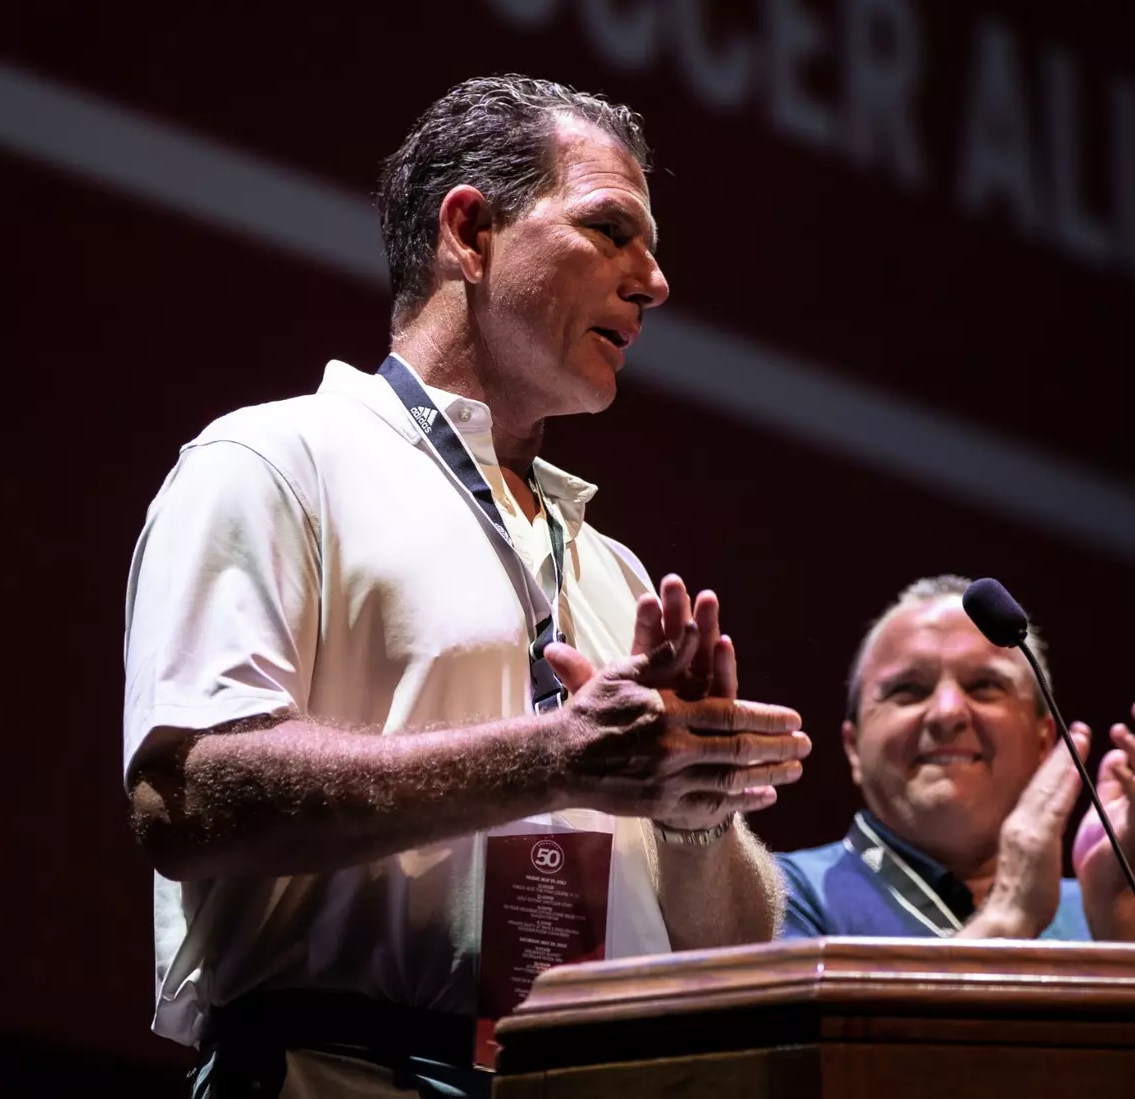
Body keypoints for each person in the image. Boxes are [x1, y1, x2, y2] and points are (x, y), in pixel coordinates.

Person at [122, 76, 810, 1097]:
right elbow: (182, 797)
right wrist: (552, 759)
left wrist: (694, 808)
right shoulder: (277, 463)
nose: (655, 282)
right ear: (470, 232)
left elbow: (731, 952)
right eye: (610, 230)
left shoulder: (615, 571)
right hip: (341, 1071)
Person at [777, 576, 1135, 945]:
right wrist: (1009, 918)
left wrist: (1114, 906)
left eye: (984, 686)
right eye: (908, 689)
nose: (948, 713)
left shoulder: (1121, 915)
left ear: (1044, 742)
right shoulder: (780, 899)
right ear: (853, 746)